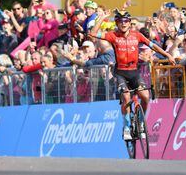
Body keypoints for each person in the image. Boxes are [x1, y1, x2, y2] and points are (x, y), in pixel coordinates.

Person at [64, 9, 175, 140]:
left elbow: (153, 46)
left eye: (126, 21)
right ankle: (127, 125)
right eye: (121, 21)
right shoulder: (113, 35)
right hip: (120, 72)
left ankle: (140, 121)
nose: (124, 24)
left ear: (129, 23)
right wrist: (102, 17)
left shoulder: (137, 35)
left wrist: (167, 55)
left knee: (145, 96)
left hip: (134, 72)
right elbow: (92, 33)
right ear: (117, 23)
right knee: (127, 99)